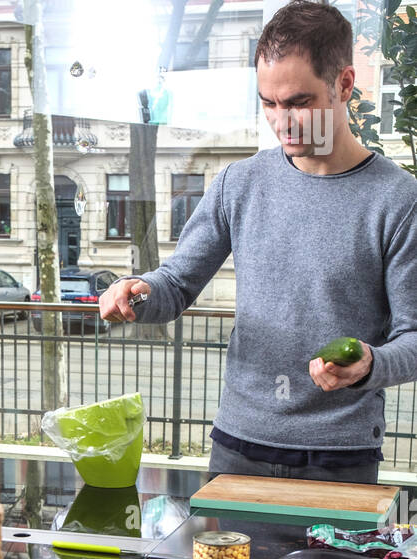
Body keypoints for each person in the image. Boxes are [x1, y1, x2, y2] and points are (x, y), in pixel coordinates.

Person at [99, 0, 417, 486]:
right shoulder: (238, 184)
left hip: (341, 457)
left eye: (297, 102)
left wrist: (371, 364)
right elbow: (176, 284)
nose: (281, 120)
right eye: (268, 103)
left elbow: (414, 338)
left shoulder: (399, 201)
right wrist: (136, 290)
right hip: (237, 447)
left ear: (345, 84)